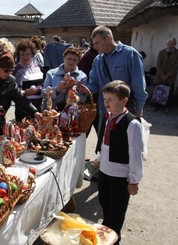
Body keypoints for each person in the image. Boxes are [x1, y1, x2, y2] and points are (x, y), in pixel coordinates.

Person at [95, 80, 143, 245]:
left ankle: (112, 238)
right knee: (105, 202)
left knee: (116, 211)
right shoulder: (109, 117)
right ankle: (108, 231)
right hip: (105, 171)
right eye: (104, 99)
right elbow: (105, 143)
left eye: (110, 99)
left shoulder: (133, 124)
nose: (106, 103)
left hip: (120, 176)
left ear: (124, 100)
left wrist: (134, 180)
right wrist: (100, 159)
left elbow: (136, 155)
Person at [85, 25, 148, 130]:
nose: (95, 47)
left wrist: (139, 110)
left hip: (125, 111)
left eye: (97, 43)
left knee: (124, 144)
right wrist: (80, 89)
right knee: (104, 145)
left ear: (108, 38)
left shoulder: (130, 54)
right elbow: (93, 84)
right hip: (105, 112)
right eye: (94, 43)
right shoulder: (98, 60)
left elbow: (139, 85)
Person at [0, 50, 42, 134]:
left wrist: (34, 112)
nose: (8, 73)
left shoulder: (11, 81)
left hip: (0, 123)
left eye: (11, 70)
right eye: (6, 70)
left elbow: (20, 99)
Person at [41, 47, 87, 111]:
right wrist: (57, 89)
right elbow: (43, 94)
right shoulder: (51, 73)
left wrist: (79, 92)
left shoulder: (82, 76)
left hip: (72, 114)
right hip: (52, 112)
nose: (71, 62)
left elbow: (84, 99)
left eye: (74, 60)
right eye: (69, 59)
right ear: (64, 58)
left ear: (78, 61)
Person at [12, 38, 44, 120]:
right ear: (18, 54)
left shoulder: (38, 67)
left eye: (28, 54)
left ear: (32, 54)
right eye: (22, 54)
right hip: (24, 109)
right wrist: (25, 93)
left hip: (38, 107)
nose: (25, 57)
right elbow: (15, 92)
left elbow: (42, 86)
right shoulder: (16, 70)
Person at [153, 37, 178, 113]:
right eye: (169, 44)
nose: (170, 45)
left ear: (175, 44)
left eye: (172, 44)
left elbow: (176, 65)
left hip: (170, 76)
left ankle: (167, 107)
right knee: (158, 90)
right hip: (160, 75)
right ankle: (157, 106)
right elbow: (158, 64)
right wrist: (162, 74)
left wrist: (168, 75)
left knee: (169, 92)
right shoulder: (162, 52)